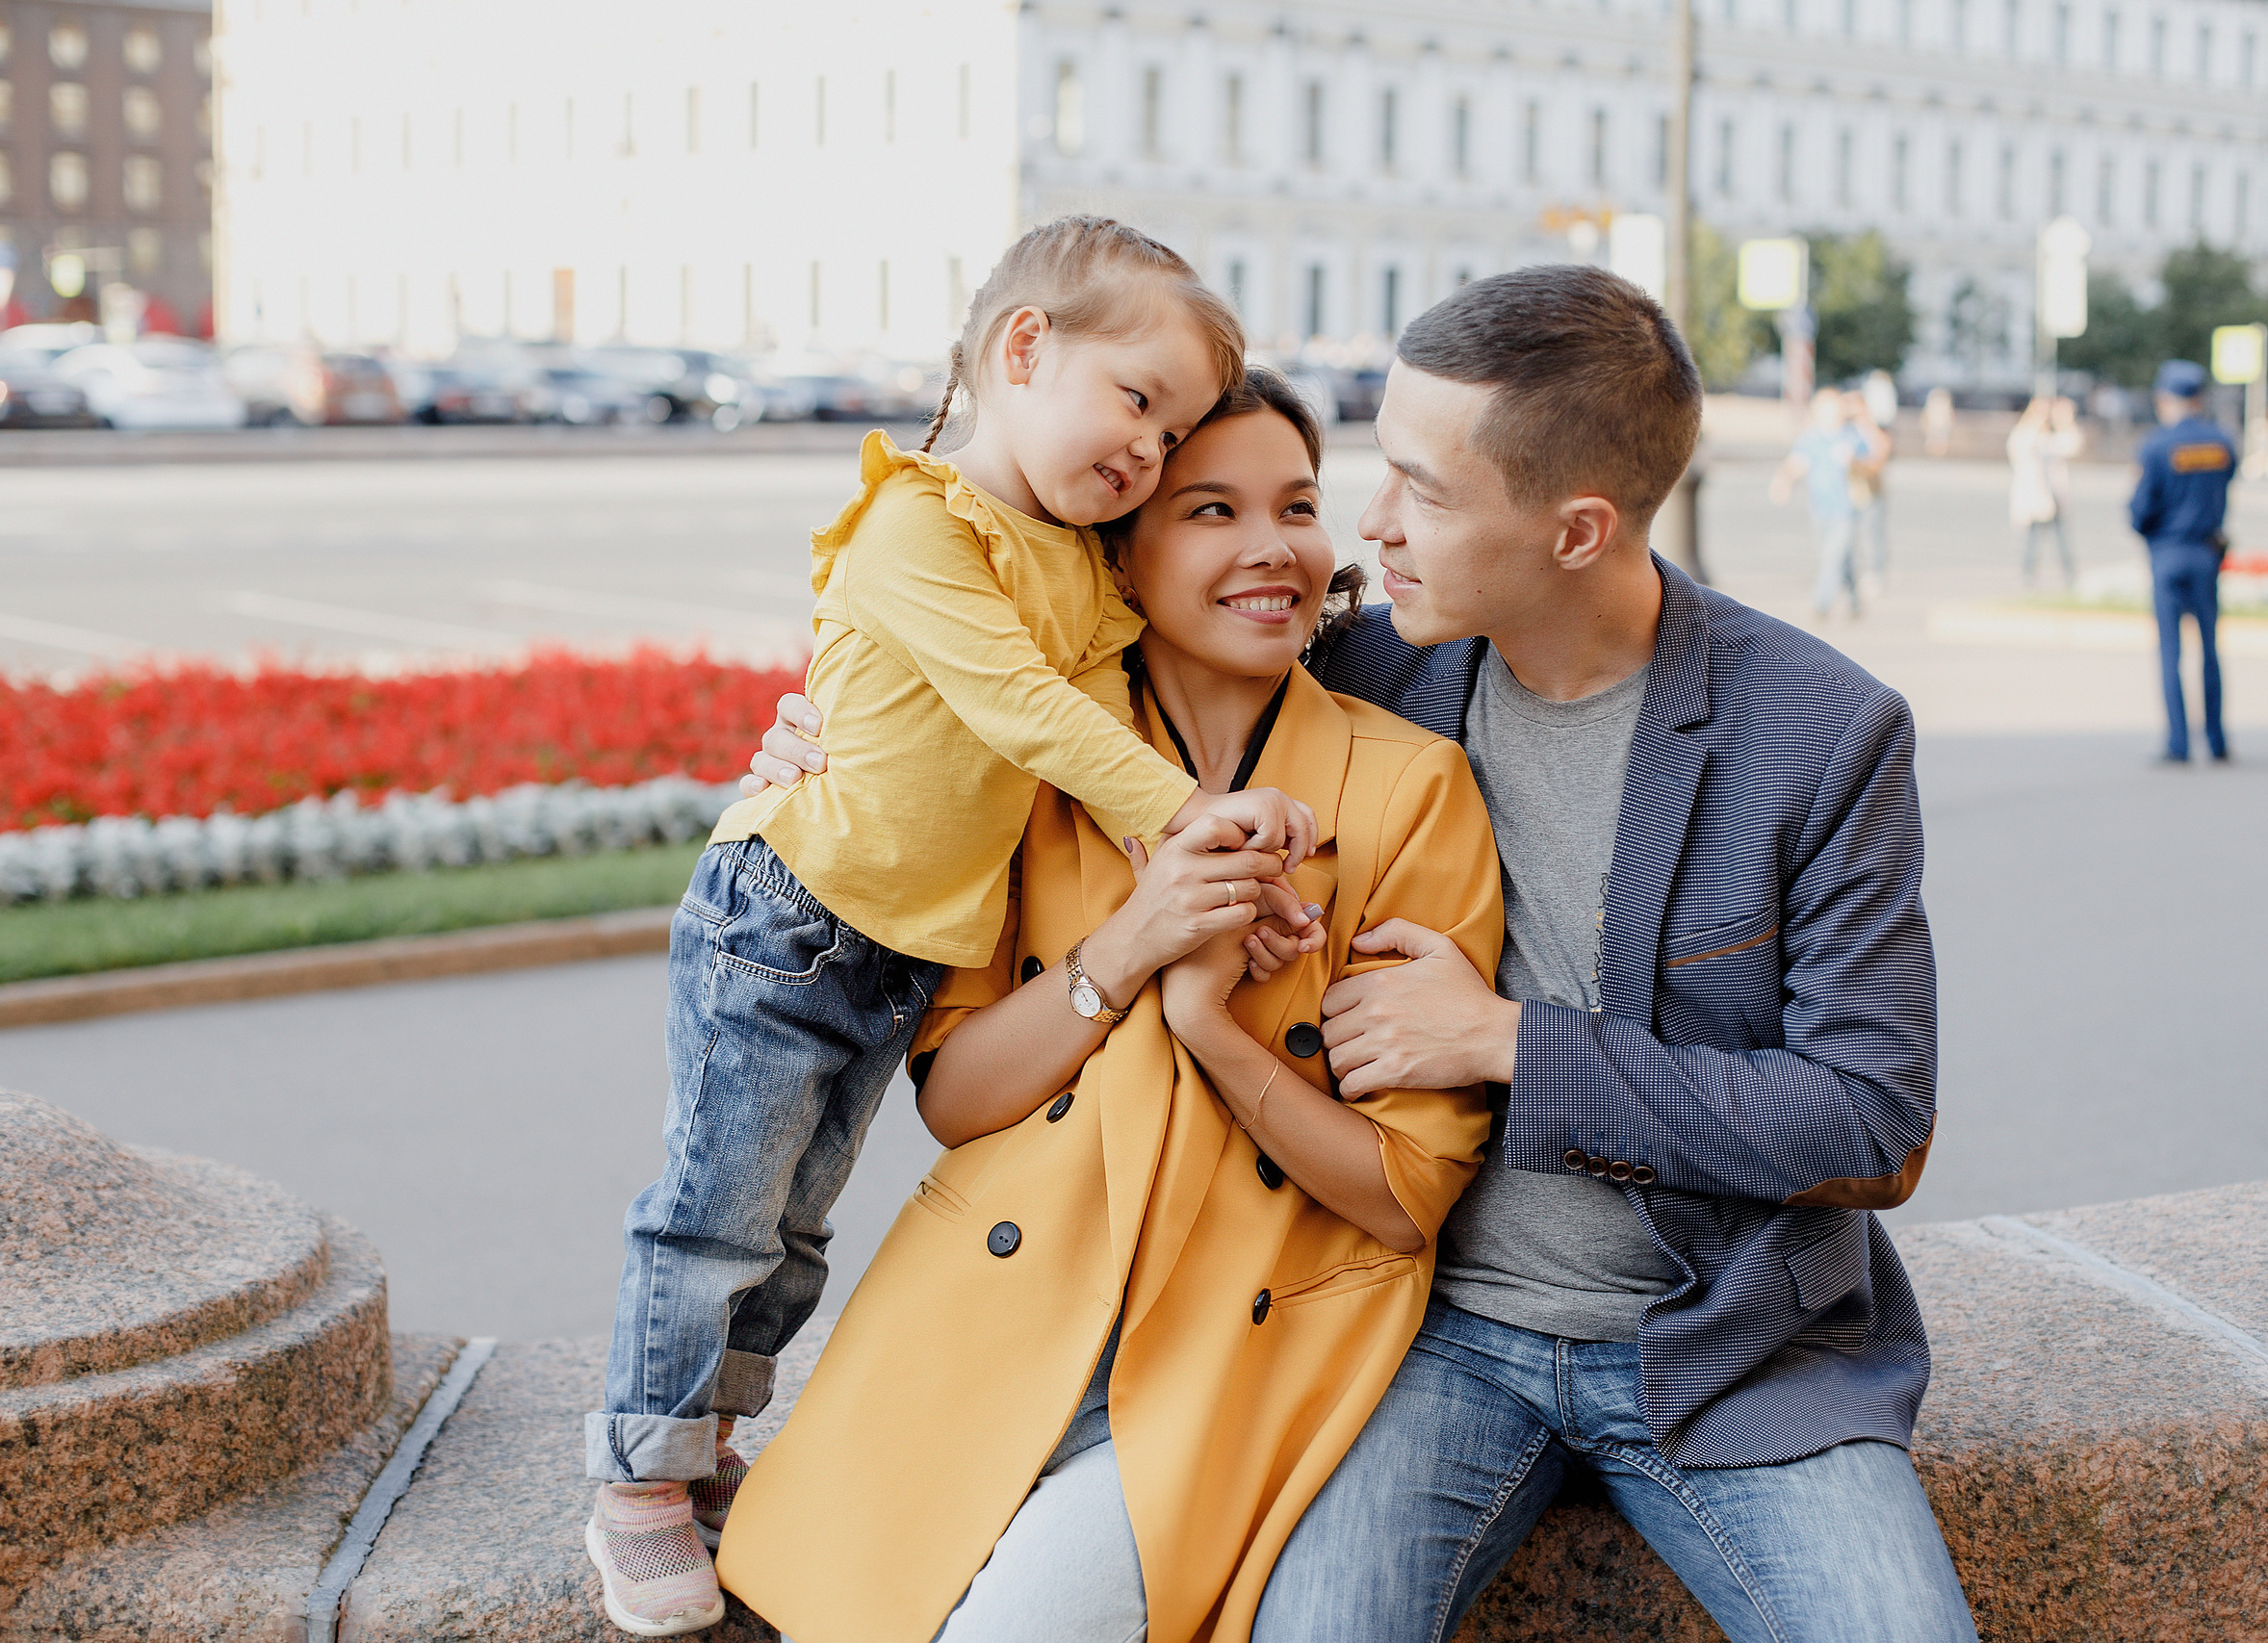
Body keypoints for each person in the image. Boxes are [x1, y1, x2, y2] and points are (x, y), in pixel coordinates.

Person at [748, 263, 1969, 1642]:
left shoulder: (1818, 730)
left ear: (1576, 530)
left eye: (1423, 492)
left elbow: (1872, 1121)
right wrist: (833, 743)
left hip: (1729, 1349)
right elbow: (1143, 601)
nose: (1363, 534)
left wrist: (1509, 1041)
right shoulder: (1374, 665)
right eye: (1375, 475)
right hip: (1434, 1340)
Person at [581, 218, 1324, 1638]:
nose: (1149, 453)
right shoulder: (917, 523)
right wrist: (1196, 820)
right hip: (789, 912)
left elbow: (1109, 743)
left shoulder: (1079, 571)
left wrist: (1244, 874)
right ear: (1024, 349)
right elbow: (1027, 714)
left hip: (896, 943)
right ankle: (637, 1477)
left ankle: (706, 1445)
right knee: (711, 1212)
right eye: (1138, 401)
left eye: (1171, 435)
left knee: (792, 1228)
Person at [714, 370, 1506, 1643]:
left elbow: (1405, 1191)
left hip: (1234, 1355)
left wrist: (1209, 1026)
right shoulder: (1026, 763)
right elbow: (962, 1100)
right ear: (1119, 560)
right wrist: (1132, 945)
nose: (1272, 546)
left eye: (1298, 504)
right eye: (1209, 509)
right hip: (992, 1321)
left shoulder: (1410, 786)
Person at [2129, 359, 2237, 765]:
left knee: (2170, 653)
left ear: (2166, 399)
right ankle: (2216, 739)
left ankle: (2178, 743)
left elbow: (2140, 511)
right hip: (2206, 552)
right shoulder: (2221, 442)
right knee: (2210, 650)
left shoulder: (2156, 445)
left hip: (2168, 553)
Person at [1769, 385, 1870, 618]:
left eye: (1835, 408)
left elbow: (1870, 466)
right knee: (1838, 557)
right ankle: (1854, 599)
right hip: (1819, 506)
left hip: (1847, 507)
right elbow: (1797, 464)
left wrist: (1853, 460)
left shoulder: (1852, 435)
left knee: (1832, 556)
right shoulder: (1811, 438)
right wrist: (1782, 483)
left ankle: (1821, 603)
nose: (1832, 413)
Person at [2008, 395, 2078, 589]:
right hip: (2036, 500)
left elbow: (2073, 445)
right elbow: (2020, 447)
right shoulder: (2025, 435)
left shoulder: (2051, 438)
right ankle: (2028, 580)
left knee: (2063, 544)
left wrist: (2064, 421)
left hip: (2055, 498)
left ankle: (2070, 580)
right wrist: (2036, 419)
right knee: (2032, 544)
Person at [1854, 371, 1898, 591]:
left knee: (1873, 532)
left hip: (1871, 487)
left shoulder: (1873, 427)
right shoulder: (1850, 428)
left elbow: (1882, 451)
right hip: (1851, 489)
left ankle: (1876, 572)